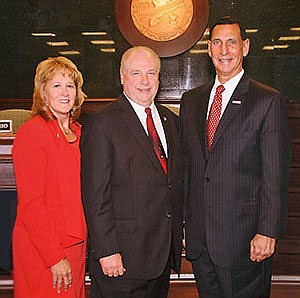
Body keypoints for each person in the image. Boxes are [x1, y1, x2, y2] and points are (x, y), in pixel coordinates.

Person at [180, 16, 291, 298]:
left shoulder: (267, 100)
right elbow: (189, 170)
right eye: (217, 43)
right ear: (208, 49)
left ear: (245, 47)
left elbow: (275, 173)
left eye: (232, 42)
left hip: (244, 242)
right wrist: (182, 226)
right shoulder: (191, 101)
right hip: (200, 242)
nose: (224, 50)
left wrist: (268, 232)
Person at [80, 46, 183, 298]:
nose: (145, 81)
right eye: (136, 73)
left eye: (151, 73)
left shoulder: (171, 122)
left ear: (159, 77)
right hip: (120, 259)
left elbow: (172, 185)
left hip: (160, 257)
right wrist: (106, 250)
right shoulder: (102, 123)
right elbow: (95, 195)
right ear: (122, 76)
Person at [12, 56, 87, 297]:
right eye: (56, 85)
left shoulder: (78, 132)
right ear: (43, 93)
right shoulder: (32, 133)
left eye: (70, 86)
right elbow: (32, 204)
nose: (65, 92)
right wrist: (54, 257)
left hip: (76, 244)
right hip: (45, 249)